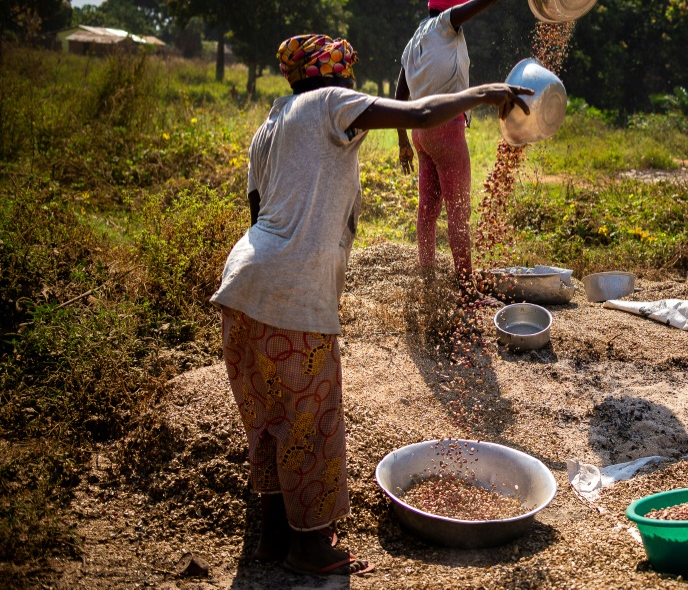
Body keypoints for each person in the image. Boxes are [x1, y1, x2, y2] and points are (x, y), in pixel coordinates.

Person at [210, 34, 531, 577]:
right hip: (293, 297)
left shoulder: (272, 124)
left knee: (268, 421)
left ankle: (271, 536)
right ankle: (310, 549)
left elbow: (257, 210)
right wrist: (487, 92)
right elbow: (423, 110)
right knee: (310, 424)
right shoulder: (330, 102)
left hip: (242, 286)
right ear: (334, 77)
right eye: (350, 79)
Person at [394, 0, 558, 302]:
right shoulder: (446, 23)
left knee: (427, 211)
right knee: (457, 212)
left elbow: (400, 88)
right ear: (450, 10)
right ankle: (467, 291)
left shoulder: (415, 39)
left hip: (421, 133)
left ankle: (427, 281)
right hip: (446, 128)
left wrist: (403, 140)